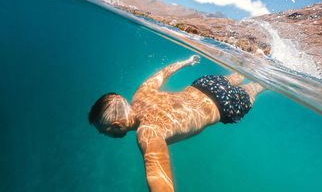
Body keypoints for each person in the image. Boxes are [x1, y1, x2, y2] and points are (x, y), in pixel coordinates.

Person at [89, 55, 264, 192]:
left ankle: (272, 67)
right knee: (237, 75)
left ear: (118, 125)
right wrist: (184, 62)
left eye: (104, 131)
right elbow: (163, 73)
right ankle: (257, 57)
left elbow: (156, 173)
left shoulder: (147, 131)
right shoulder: (140, 95)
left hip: (224, 105)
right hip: (206, 84)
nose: (105, 135)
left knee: (258, 86)